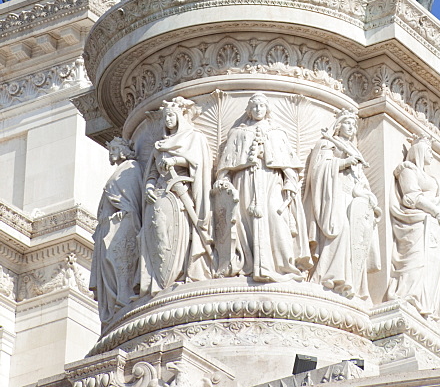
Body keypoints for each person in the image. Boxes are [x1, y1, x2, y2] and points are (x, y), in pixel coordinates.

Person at [213, 93, 311, 282]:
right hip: (244, 181)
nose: (258, 109)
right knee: (244, 220)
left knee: (275, 217)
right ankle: (247, 264)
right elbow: (226, 164)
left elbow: (288, 164)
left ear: (267, 110)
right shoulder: (238, 133)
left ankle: (282, 265)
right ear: (249, 110)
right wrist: (223, 180)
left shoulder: (276, 132)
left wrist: (290, 180)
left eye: (261, 106)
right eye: (255, 106)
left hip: (271, 180)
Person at [304, 109, 381, 300]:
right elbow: (320, 169)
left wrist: (368, 196)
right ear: (338, 126)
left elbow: (360, 180)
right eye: (347, 123)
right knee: (341, 230)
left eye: (354, 125)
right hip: (334, 196)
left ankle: (350, 282)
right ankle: (328, 276)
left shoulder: (355, 151)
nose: (351, 128)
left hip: (353, 199)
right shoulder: (327, 143)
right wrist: (345, 162)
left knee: (355, 236)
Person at [140, 97, 213, 294]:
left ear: (180, 117)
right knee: (163, 236)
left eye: (172, 116)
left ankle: (184, 270)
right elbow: (153, 172)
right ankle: (164, 278)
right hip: (162, 197)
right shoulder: (159, 145)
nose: (168, 120)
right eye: (165, 117)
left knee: (183, 233)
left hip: (182, 195)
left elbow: (197, 163)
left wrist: (176, 161)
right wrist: (148, 186)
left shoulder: (193, 137)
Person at [385, 136, 440, 320]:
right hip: (416, 224)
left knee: (430, 264)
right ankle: (409, 295)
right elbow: (411, 196)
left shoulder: (432, 178)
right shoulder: (408, 170)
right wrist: (436, 212)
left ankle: (425, 303)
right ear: (420, 150)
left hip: (432, 226)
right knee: (416, 260)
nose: (431, 154)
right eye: (429, 150)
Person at [90, 137, 143, 330]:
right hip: (107, 227)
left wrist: (124, 213)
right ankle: (115, 306)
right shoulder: (121, 170)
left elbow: (132, 200)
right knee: (108, 266)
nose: (111, 153)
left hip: (122, 224)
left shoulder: (132, 168)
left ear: (123, 150)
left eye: (114, 149)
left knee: (119, 262)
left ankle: (124, 297)